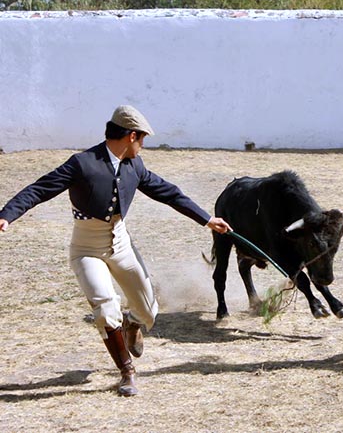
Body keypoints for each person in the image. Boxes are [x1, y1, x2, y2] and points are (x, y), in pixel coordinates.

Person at [0, 105, 231, 396]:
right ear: (131, 136)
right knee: (105, 307)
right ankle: (127, 372)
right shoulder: (82, 163)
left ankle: (132, 323)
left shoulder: (136, 165)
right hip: (86, 248)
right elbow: (39, 189)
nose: (143, 145)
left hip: (121, 244)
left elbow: (168, 192)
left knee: (148, 311)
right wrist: (7, 214)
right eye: (142, 139)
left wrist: (207, 219)